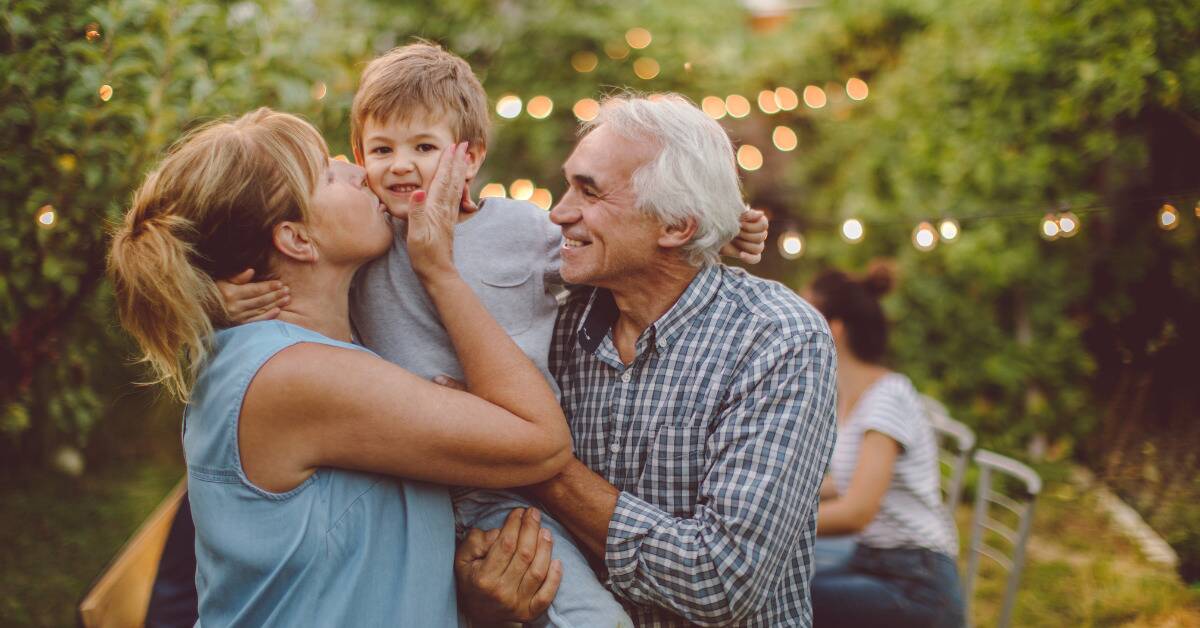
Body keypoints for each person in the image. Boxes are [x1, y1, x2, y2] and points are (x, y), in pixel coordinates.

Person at [212, 43, 768, 627]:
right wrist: (217, 297)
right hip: (414, 474)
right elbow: (277, 275)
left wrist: (712, 232)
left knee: (591, 616)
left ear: (469, 156)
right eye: (380, 151)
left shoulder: (520, 229)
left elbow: (615, 250)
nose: (400, 166)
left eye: (423, 148)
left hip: (506, 484)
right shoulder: (369, 242)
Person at [108, 108, 573, 625]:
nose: (359, 172)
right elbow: (541, 442)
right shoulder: (294, 374)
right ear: (297, 240)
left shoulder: (294, 353)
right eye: (328, 174)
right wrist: (438, 271)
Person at [454, 94, 839, 627]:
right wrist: (484, 595)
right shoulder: (551, 320)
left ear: (677, 224)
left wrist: (528, 453)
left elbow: (722, 580)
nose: (559, 213)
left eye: (589, 191)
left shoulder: (776, 339)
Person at [805, 266, 965, 627]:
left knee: (775, 599)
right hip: (875, 559)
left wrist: (769, 522)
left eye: (802, 312)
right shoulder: (849, 396)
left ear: (834, 328)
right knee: (781, 578)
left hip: (916, 583)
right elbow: (847, 481)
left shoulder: (887, 397)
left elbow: (857, 511)